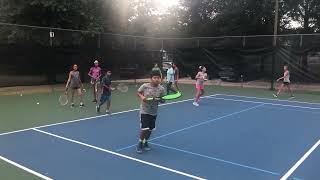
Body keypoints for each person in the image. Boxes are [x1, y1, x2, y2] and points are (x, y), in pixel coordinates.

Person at [136, 70, 165, 153]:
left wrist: (161, 100)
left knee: (150, 130)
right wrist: (142, 97)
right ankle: (140, 143)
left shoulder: (161, 89)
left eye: (158, 78)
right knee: (145, 128)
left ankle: (145, 142)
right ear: (151, 78)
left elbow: (163, 101)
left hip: (154, 112)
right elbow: (138, 92)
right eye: (155, 77)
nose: (157, 79)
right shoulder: (145, 86)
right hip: (144, 111)